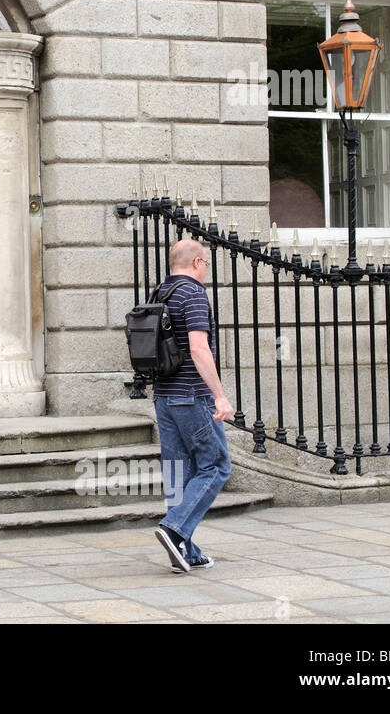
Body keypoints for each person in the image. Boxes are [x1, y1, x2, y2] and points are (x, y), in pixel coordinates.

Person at [151, 238, 234, 574]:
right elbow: (199, 348)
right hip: (190, 394)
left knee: (178, 474)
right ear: (198, 262)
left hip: (163, 396)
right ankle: (174, 528)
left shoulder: (160, 293)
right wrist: (219, 395)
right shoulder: (194, 293)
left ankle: (185, 550)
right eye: (207, 265)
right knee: (215, 466)